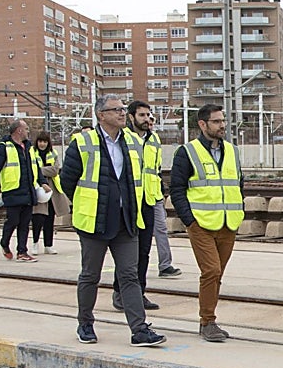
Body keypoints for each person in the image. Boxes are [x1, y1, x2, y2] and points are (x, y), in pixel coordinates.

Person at [60, 94, 164, 347]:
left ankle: (139, 329)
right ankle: (85, 323)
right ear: (101, 115)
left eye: (122, 109)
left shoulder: (132, 141)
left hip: (126, 219)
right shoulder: (82, 142)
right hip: (94, 220)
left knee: (129, 275)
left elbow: (136, 177)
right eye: (115, 109)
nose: (121, 113)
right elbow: (68, 181)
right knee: (90, 275)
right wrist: (89, 202)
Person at [169, 103, 243, 343]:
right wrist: (189, 221)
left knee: (217, 274)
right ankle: (207, 321)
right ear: (202, 124)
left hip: (228, 224)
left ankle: (209, 319)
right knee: (211, 270)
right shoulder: (187, 152)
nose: (222, 126)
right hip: (201, 224)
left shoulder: (232, 151)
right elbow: (176, 189)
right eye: (216, 122)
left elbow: (238, 184)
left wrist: (238, 212)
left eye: (223, 121)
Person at [111, 100, 161, 312]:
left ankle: (139, 292)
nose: (147, 119)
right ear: (131, 117)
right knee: (127, 253)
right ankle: (120, 292)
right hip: (130, 202)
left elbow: (154, 170)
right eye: (141, 115)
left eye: (148, 115)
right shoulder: (124, 139)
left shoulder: (153, 139)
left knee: (144, 251)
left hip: (148, 200)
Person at [0, 119, 47, 262]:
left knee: (25, 223)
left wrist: (42, 182)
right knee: (13, 220)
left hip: (28, 190)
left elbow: (36, 168)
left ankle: (22, 252)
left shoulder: (29, 147)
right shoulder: (4, 147)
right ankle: (4, 242)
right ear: (19, 130)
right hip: (12, 190)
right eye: (26, 129)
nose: (28, 131)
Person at [31, 131, 64, 254]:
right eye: (40, 141)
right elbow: (31, 169)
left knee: (50, 218)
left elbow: (55, 170)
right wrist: (45, 171)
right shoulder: (32, 153)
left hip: (52, 190)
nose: (42, 144)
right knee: (38, 218)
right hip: (38, 188)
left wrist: (40, 170)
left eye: (44, 141)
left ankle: (48, 245)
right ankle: (35, 244)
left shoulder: (53, 153)